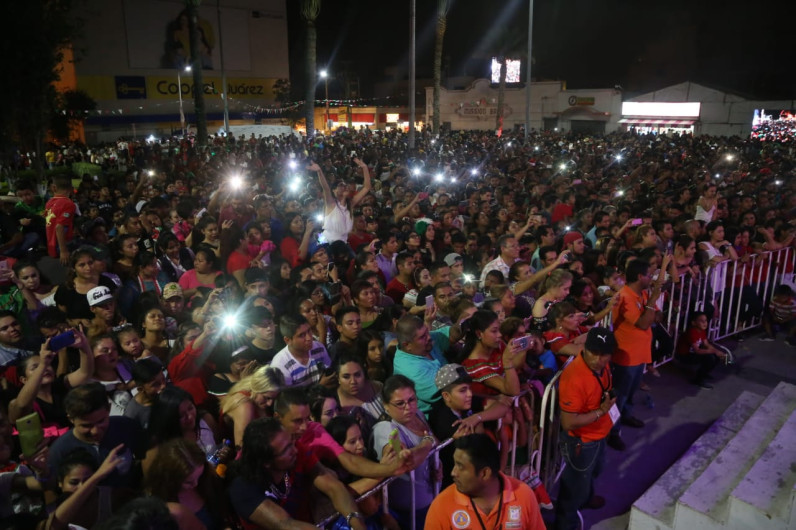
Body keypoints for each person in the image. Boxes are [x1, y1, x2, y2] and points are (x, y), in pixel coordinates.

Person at [227, 417, 367, 529]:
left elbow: (333, 486)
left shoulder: (295, 451)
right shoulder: (243, 487)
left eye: (291, 443)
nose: (294, 450)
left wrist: (356, 523)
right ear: (266, 461)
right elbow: (285, 524)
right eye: (285, 450)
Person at [556, 327, 619, 530]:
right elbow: (569, 422)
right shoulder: (575, 377)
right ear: (585, 348)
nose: (599, 359)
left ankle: (587, 498)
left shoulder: (603, 367)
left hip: (599, 433)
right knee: (574, 487)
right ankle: (566, 524)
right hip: (582, 441)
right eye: (594, 352)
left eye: (604, 355)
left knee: (593, 473)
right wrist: (601, 412)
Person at [425, 433, 546, 530]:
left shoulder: (524, 494)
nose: (453, 472)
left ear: (485, 473)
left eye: (460, 466)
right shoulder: (442, 504)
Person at [609, 259, 665, 451]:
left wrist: (651, 306)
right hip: (625, 356)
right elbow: (643, 323)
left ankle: (627, 415)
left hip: (639, 354)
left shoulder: (641, 293)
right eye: (649, 275)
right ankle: (613, 432)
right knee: (620, 395)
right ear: (640, 276)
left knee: (630, 393)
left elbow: (656, 316)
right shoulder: (624, 296)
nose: (651, 279)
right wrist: (652, 303)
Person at [47, 382, 144, 489]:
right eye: (86, 426)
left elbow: (145, 456)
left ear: (109, 409)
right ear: (71, 419)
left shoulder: (126, 426)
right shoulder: (59, 451)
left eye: (101, 421)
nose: (95, 431)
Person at [372, 375, 437, 528]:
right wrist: (428, 442)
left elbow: (435, 446)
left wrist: (435, 465)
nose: (408, 407)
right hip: (404, 514)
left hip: (429, 502)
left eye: (412, 400)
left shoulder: (418, 415)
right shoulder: (385, 428)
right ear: (386, 406)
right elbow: (408, 462)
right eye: (400, 403)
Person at [392, 313, 448, 414]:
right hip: (435, 413)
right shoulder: (409, 368)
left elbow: (451, 334)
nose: (429, 337)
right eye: (422, 337)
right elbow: (446, 392)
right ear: (407, 345)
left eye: (427, 332)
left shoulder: (423, 344)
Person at [310, 159, 372, 244]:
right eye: (340, 185)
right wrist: (319, 171)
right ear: (334, 190)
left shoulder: (350, 204)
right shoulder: (331, 203)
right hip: (326, 241)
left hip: (342, 243)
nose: (344, 186)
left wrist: (365, 168)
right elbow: (326, 188)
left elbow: (366, 187)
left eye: (345, 185)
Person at [270, 314, 332, 387]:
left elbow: (329, 376)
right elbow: (289, 397)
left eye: (309, 331)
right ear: (288, 340)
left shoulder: (319, 348)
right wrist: (319, 386)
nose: (309, 338)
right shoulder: (280, 365)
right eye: (302, 335)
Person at [676, 311, 727, 388]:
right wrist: (714, 351)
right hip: (684, 356)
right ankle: (697, 380)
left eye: (706, 321)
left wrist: (717, 352)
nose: (705, 323)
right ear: (694, 323)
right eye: (701, 321)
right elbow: (697, 350)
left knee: (715, 356)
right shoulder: (691, 332)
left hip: (693, 353)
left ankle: (704, 373)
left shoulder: (702, 331)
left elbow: (706, 344)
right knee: (710, 358)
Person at [45, 176, 76, 264]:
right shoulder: (68, 204)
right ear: (71, 189)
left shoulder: (49, 203)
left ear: (54, 188)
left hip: (51, 246)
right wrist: (64, 251)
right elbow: (59, 227)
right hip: (62, 246)